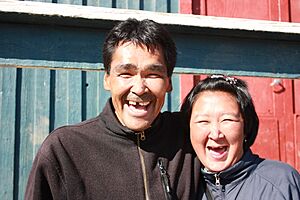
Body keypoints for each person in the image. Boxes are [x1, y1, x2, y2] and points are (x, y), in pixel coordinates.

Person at [25, 18, 201, 200]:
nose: (139, 88)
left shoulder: (190, 135)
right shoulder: (64, 150)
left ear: (168, 82)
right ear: (107, 79)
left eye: (153, 74)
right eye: (126, 74)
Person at [181, 75, 300, 200]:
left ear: (246, 126)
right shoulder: (181, 187)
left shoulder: (281, 182)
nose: (215, 134)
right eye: (203, 121)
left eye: (227, 120)